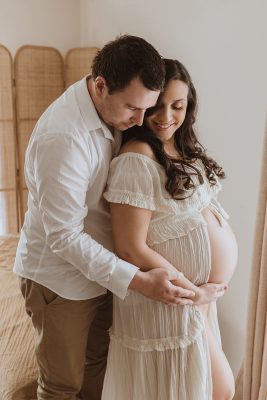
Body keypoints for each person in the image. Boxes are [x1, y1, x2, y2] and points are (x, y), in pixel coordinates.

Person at [13, 35, 210, 400]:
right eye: (134, 109)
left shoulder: (114, 109)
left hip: (102, 272)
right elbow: (65, 238)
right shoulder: (64, 138)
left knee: (96, 375)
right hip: (61, 279)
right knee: (62, 386)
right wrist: (138, 280)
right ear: (100, 85)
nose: (142, 120)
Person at [102, 58, 238, 399]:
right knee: (218, 390)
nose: (166, 117)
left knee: (209, 391)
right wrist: (193, 291)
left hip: (194, 300)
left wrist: (201, 295)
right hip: (168, 300)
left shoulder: (180, 146)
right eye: (157, 106)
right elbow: (130, 248)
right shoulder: (136, 158)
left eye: (177, 106)